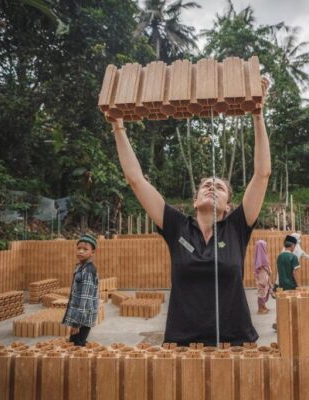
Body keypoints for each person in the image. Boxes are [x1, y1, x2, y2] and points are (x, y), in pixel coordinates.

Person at [110, 78, 271, 346]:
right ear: (195, 202)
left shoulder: (237, 227)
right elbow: (136, 179)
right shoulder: (176, 226)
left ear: (229, 206)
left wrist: (257, 114)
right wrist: (118, 127)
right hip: (181, 345)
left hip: (236, 343)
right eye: (205, 185)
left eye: (218, 187)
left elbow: (262, 173)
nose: (211, 186)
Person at [62, 233, 99, 347]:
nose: (81, 251)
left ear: (92, 252)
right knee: (74, 343)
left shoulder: (88, 271)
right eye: (79, 248)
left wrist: (76, 324)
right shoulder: (80, 266)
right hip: (79, 316)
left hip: (83, 318)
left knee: (78, 346)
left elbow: (85, 300)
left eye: (85, 249)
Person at [253, 240, 272, 314]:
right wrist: (268, 270)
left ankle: (263, 306)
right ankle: (260, 309)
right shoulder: (260, 255)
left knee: (265, 290)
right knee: (262, 290)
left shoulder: (262, 254)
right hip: (262, 275)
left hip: (265, 275)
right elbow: (262, 265)